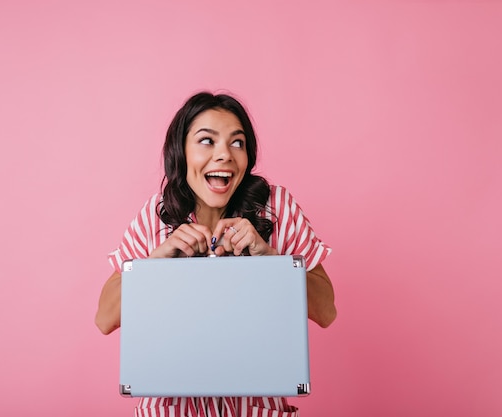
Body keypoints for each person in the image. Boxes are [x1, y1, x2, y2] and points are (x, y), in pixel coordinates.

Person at [95, 91, 337, 417]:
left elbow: (326, 311)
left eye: (237, 143)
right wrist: (156, 263)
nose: (224, 154)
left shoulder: (276, 207)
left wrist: (270, 261)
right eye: (207, 141)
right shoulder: (156, 215)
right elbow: (105, 319)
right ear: (181, 151)